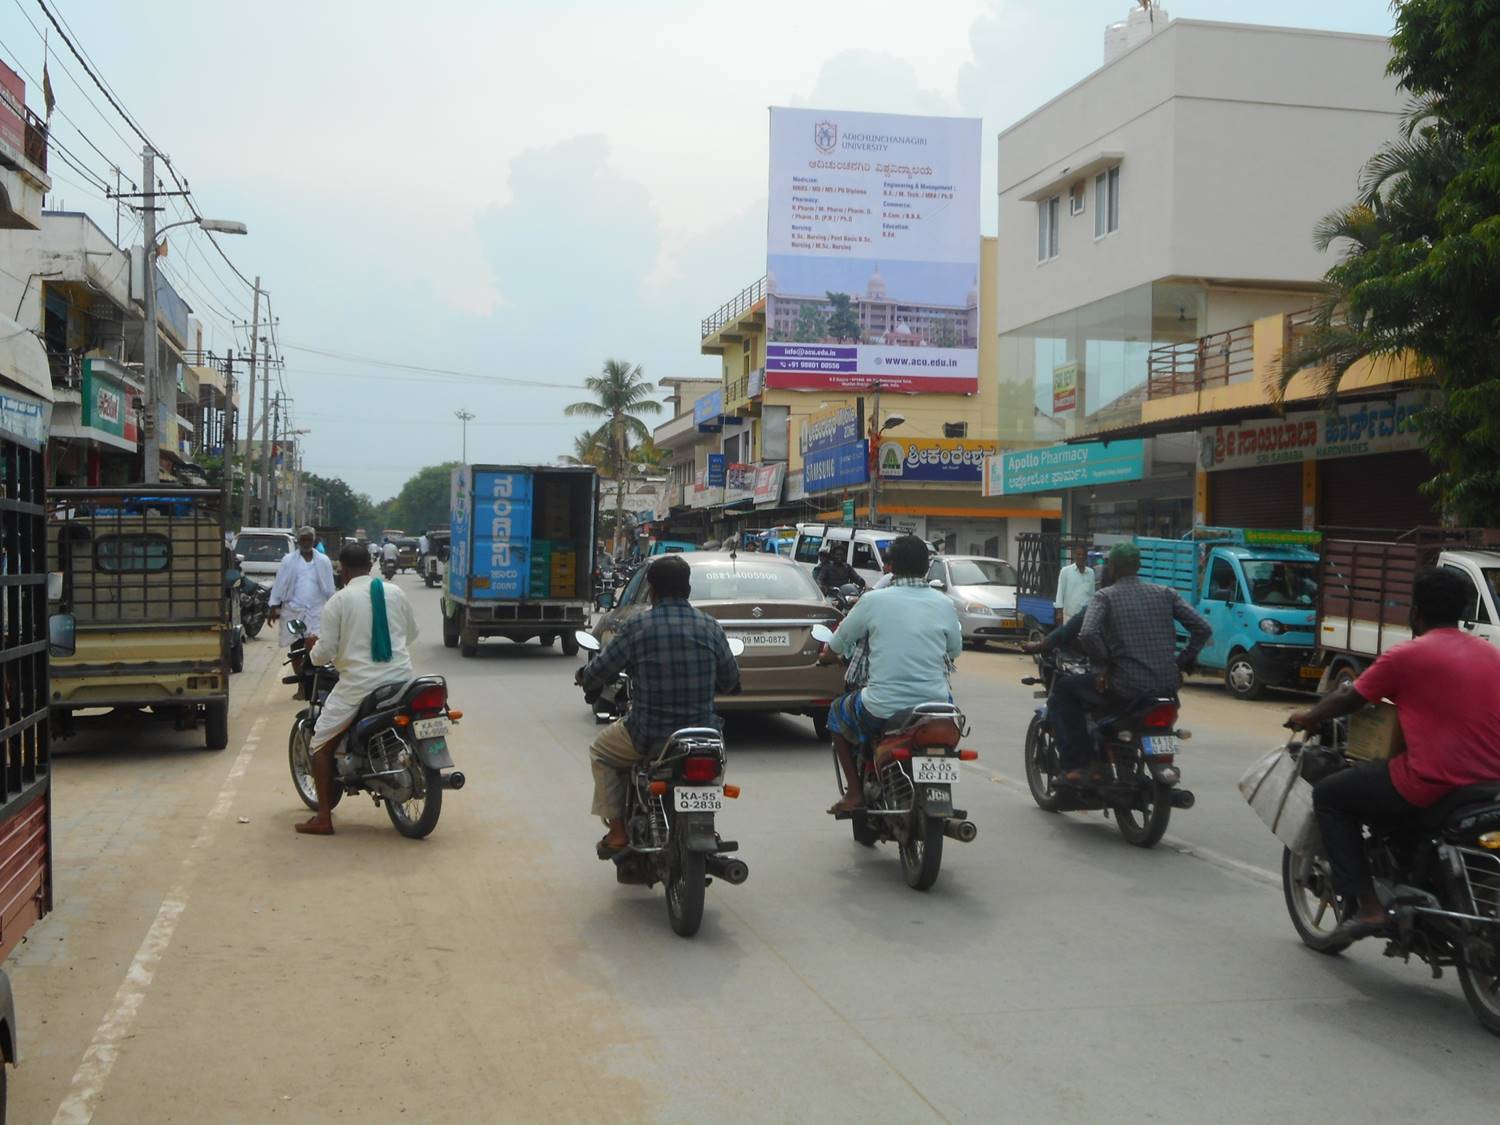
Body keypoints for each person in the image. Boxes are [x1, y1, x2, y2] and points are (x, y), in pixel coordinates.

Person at [1287, 567, 1500, 939]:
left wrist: (1308, 717)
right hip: (1490, 782)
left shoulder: (1407, 655)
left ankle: (1369, 908)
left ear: (1416, 612)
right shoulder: (1492, 655)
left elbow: (1349, 697)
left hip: (1430, 782)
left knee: (1331, 795)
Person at [575, 555, 741, 854]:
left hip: (649, 732)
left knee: (600, 751)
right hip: (704, 734)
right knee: (715, 762)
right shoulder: (710, 626)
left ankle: (616, 833)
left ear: (652, 590)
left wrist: (587, 679)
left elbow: (602, 668)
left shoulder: (638, 625)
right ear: (688, 589)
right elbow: (731, 680)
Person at [817, 535, 962, 813]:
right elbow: (954, 650)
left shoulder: (873, 601)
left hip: (881, 708)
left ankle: (855, 793)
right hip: (937, 707)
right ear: (926, 568)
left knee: (836, 713)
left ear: (890, 567)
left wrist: (827, 657)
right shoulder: (944, 604)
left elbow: (838, 643)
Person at [1049, 542, 1210, 785]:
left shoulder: (1105, 596)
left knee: (1063, 690)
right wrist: (1183, 660)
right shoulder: (1165, 593)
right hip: (1168, 685)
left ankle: (1078, 766)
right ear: (1138, 566)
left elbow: (1088, 634)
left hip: (1126, 685)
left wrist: (1105, 664)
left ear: (1111, 569)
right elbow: (1203, 628)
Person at [295, 543, 420, 835]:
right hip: (401, 680)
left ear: (343, 570)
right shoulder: (395, 592)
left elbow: (325, 652)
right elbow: (412, 634)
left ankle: (324, 817)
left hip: (359, 685)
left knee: (320, 742)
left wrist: (312, 652)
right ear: (371, 564)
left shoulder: (339, 601)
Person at [268, 527, 337, 648]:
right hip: (294, 611)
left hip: (317, 612)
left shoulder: (323, 561)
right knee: (296, 647)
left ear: (313, 541)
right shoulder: (288, 561)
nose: (306, 543)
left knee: (315, 647)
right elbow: (279, 584)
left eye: (309, 540)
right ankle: (299, 668)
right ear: (298, 541)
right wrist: (273, 606)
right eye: (303, 540)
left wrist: (334, 609)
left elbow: (330, 588)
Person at [1054, 544, 1097, 624]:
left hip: (1085, 617)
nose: (1081, 557)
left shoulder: (1091, 572)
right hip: (1069, 616)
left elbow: (1092, 595)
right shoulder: (1065, 571)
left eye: (1083, 555)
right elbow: (1060, 592)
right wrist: (1059, 612)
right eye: (1078, 554)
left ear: (1086, 557)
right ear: (1074, 555)